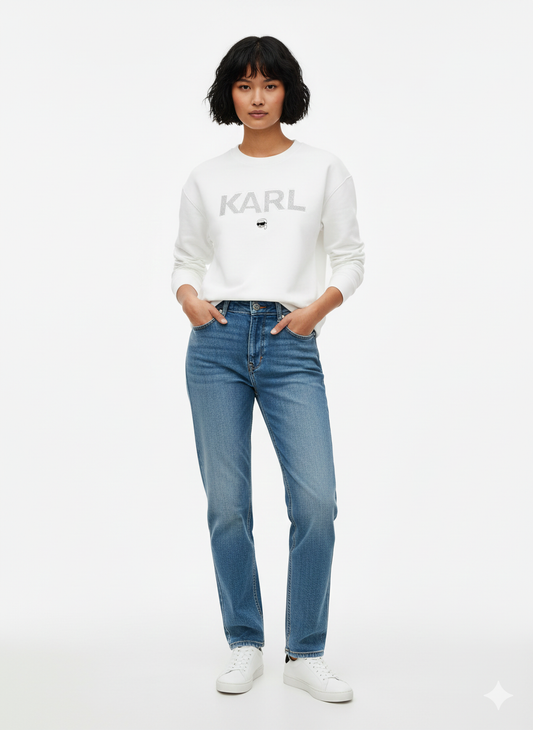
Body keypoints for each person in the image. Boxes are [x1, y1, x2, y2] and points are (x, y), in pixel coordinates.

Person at [171, 36, 365, 703]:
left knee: (316, 502)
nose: (257, 98)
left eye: (270, 85)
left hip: (289, 342)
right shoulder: (206, 177)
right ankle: (244, 642)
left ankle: (304, 652)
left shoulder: (323, 168)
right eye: (244, 85)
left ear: (288, 91)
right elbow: (185, 260)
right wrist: (189, 298)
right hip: (216, 342)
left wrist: (314, 312)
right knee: (227, 506)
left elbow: (351, 258)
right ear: (229, 93)